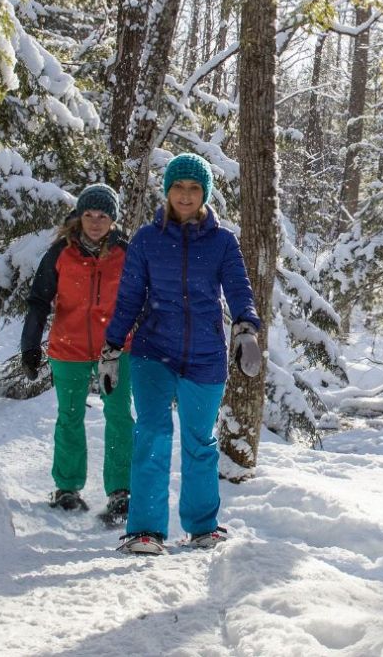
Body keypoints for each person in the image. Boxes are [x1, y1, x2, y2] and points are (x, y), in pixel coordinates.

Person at [100, 153, 264, 555]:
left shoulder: (223, 241)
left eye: (194, 188)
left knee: (199, 441)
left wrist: (245, 328)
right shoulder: (147, 239)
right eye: (178, 187)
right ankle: (145, 531)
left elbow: (239, 288)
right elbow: (128, 299)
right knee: (152, 434)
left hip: (206, 356)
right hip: (153, 352)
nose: (185, 195)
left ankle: (202, 525)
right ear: (167, 191)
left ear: (204, 193)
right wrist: (110, 348)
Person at [20, 184, 136, 524]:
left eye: (103, 216)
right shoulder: (61, 253)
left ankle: (120, 491)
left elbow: (140, 301)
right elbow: (39, 301)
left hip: (115, 350)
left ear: (112, 220)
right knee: (69, 415)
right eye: (89, 215)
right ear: (79, 216)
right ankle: (67, 488)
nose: (96, 222)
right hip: (68, 348)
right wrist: (30, 345)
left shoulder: (125, 254)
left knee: (118, 417)